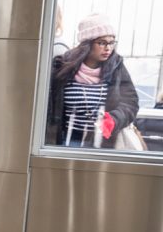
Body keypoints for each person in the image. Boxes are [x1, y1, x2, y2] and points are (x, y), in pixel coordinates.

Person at [46, 13, 139, 148]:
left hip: (103, 144)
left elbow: (131, 103)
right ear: (87, 44)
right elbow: (49, 106)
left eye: (112, 42)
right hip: (66, 143)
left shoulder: (116, 67)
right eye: (102, 43)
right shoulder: (63, 66)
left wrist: (114, 119)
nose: (108, 48)